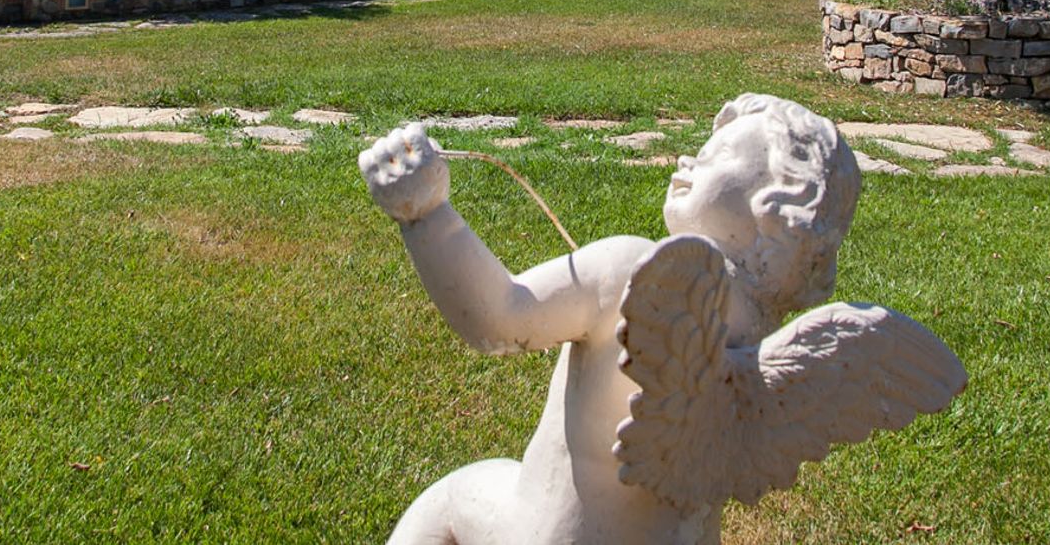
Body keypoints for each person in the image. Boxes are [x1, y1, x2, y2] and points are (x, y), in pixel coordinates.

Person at [358, 94, 866, 544]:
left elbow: (498, 318)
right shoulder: (765, 333)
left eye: (719, 155)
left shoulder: (630, 269)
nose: (692, 157)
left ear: (771, 210)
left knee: (457, 495)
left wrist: (425, 214)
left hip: (557, 534)